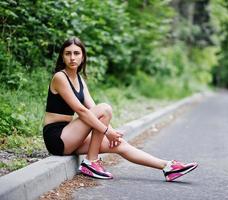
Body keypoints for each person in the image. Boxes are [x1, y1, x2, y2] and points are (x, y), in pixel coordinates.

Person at [43, 37, 198, 181]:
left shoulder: (79, 79)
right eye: (68, 53)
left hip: (72, 135)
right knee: (105, 108)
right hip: (57, 138)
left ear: (83, 57)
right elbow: (82, 111)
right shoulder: (60, 77)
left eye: (76, 53)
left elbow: (92, 108)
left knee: (119, 144)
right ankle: (91, 162)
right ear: (62, 57)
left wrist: (113, 134)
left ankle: (167, 167)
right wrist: (107, 132)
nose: (72, 57)